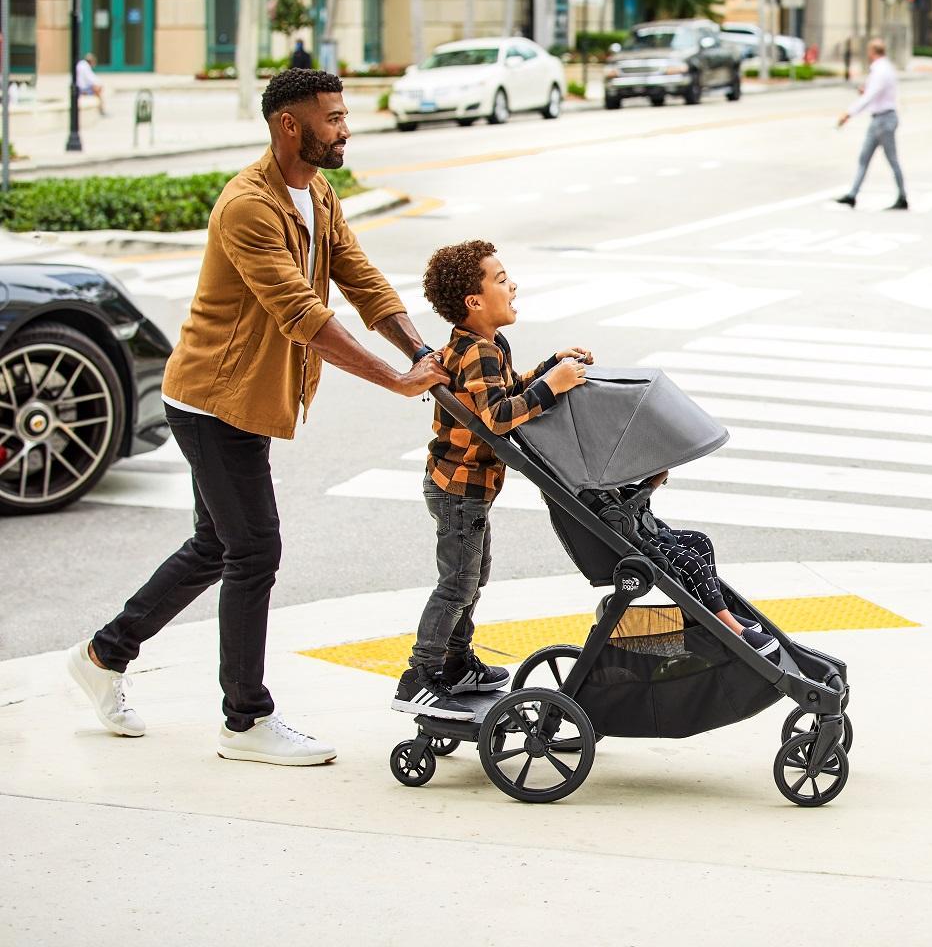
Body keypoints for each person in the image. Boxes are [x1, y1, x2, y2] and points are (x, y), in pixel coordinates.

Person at [67, 68, 449, 765]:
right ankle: (245, 720)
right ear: (290, 125)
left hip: (242, 400)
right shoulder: (247, 205)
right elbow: (302, 316)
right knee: (254, 550)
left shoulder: (318, 193)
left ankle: (104, 654)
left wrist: (422, 350)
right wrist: (397, 379)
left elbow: (361, 281)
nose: (345, 128)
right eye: (332, 118)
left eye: (342, 115)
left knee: (217, 546)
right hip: (213, 402)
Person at [391, 241, 592, 719]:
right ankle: (420, 675)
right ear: (474, 301)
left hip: (466, 487)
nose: (513, 284)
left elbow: (503, 390)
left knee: (471, 578)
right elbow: (497, 417)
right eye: (501, 279)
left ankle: (456, 663)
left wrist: (548, 368)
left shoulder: (486, 345)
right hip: (459, 488)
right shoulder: (477, 349)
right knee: (457, 584)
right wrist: (554, 386)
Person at [646, 490, 780, 662]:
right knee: (692, 564)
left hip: (640, 525)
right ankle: (733, 630)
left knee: (701, 542)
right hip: (630, 536)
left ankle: (720, 613)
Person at [835, 38, 908, 210]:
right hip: (881, 119)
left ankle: (903, 197)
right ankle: (852, 194)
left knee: (891, 160)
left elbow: (870, 96)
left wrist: (848, 113)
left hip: (883, 120)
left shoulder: (880, 70)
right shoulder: (885, 68)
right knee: (864, 158)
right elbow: (874, 92)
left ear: (872, 52)